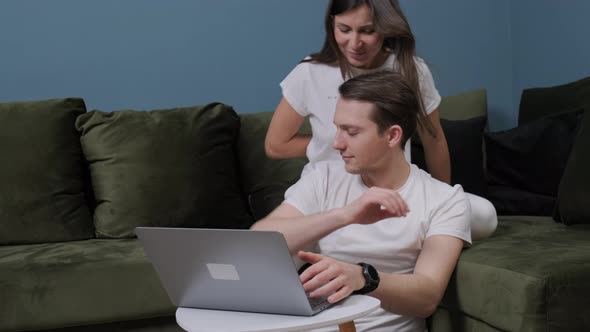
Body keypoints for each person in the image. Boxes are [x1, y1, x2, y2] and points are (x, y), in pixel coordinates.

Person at [252, 70, 471, 332]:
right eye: (337, 128)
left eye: (351, 132)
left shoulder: (445, 200)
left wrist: (364, 277)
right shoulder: (324, 178)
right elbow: (261, 240)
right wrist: (345, 215)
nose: (337, 143)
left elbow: (427, 296)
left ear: (392, 136)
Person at [264, 0, 496, 240]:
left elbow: (433, 139)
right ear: (332, 24)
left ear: (386, 28)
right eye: (344, 29)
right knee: (282, 245)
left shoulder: (410, 70)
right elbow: (275, 145)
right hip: (328, 195)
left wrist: (442, 199)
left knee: (484, 215)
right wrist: (331, 140)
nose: (354, 43)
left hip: (393, 190)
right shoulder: (310, 73)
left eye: (367, 31)